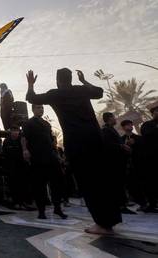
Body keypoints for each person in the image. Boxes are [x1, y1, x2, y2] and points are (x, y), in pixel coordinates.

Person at [26, 68, 121, 235]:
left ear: (57, 80)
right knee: (103, 178)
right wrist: (84, 81)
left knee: (88, 181)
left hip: (76, 142)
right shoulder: (81, 89)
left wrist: (30, 84)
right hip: (95, 139)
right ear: (71, 79)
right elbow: (99, 92)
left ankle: (102, 224)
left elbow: (31, 98)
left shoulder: (55, 94)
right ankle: (111, 220)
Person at [22, 104, 67, 219]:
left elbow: (52, 141)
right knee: (39, 185)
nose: (40, 109)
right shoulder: (28, 123)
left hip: (51, 156)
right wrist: (25, 150)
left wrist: (57, 155)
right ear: (33, 110)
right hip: (37, 157)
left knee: (57, 182)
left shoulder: (47, 124)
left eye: (42, 107)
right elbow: (24, 138)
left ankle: (57, 208)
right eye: (38, 108)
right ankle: (41, 211)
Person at [101, 113, 135, 214]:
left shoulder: (110, 129)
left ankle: (122, 204)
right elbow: (108, 145)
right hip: (114, 163)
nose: (115, 119)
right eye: (114, 117)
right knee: (118, 184)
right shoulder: (106, 130)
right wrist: (122, 146)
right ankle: (121, 205)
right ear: (109, 118)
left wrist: (124, 145)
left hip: (118, 162)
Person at [120, 119, 147, 211]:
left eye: (131, 125)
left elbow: (143, 151)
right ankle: (141, 203)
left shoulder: (138, 138)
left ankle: (146, 203)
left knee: (142, 184)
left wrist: (135, 145)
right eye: (128, 125)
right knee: (132, 186)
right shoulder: (121, 140)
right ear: (123, 127)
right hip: (128, 167)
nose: (130, 126)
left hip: (139, 165)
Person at [139, 104, 158, 213]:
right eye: (157, 111)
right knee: (151, 182)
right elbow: (146, 136)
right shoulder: (147, 124)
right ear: (152, 113)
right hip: (151, 159)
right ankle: (152, 204)